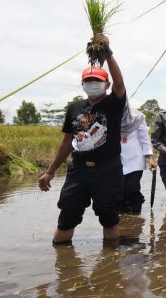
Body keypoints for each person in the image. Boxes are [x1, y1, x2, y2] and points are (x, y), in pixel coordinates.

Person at [38, 33, 127, 245]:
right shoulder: (74, 108)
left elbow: (120, 83)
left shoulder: (113, 104)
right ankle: (62, 265)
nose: (92, 83)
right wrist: (50, 171)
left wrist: (108, 54)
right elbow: (67, 142)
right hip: (78, 170)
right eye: (88, 81)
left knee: (109, 219)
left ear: (106, 85)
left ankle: (109, 268)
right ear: (83, 84)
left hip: (107, 170)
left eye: (97, 81)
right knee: (67, 217)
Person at [119, 107, 156, 214]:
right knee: (117, 190)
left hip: (134, 160)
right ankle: (120, 217)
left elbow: (144, 138)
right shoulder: (107, 114)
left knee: (132, 187)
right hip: (114, 159)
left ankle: (135, 218)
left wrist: (150, 158)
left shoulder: (137, 116)